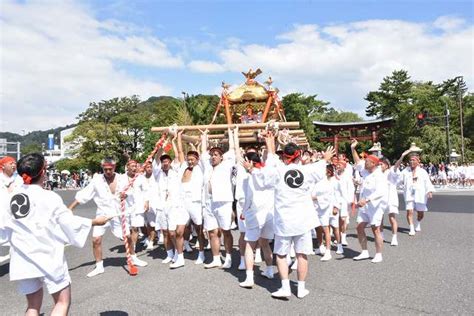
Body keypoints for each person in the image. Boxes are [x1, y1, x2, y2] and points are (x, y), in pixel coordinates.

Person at [0, 153, 109, 315]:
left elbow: (4, 226)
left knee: (32, 306)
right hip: (48, 256)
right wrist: (94, 222)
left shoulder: (11, 197)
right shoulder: (50, 197)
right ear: (43, 172)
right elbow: (68, 222)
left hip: (22, 257)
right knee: (61, 302)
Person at [252, 132, 335, 299]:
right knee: (301, 254)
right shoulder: (308, 170)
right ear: (299, 156)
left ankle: (285, 287)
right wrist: (325, 158)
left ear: (284, 156)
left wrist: (270, 145)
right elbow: (320, 166)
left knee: (281, 255)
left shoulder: (277, 171)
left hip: (284, 220)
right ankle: (302, 288)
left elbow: (265, 175)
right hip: (303, 219)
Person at [68, 157, 147, 278]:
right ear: (102, 168)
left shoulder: (122, 178)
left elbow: (131, 191)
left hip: (118, 213)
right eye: (105, 169)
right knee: (96, 240)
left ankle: (133, 257)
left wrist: (125, 195)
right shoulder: (97, 181)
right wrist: (70, 208)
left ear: (114, 167)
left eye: (110, 169)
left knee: (127, 237)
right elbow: (83, 196)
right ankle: (99, 266)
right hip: (102, 213)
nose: (108, 171)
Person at [201, 128, 236, 269]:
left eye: (216, 155)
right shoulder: (207, 167)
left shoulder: (227, 165)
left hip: (223, 202)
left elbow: (232, 149)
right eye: (212, 155)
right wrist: (204, 136)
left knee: (226, 230)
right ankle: (216, 259)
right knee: (212, 231)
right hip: (209, 202)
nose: (213, 157)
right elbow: (203, 153)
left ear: (222, 157)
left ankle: (228, 257)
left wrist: (232, 133)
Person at [239, 151, 275, 288]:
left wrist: (243, 211)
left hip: (255, 213)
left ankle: (249, 277)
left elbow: (249, 197)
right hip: (269, 214)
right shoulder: (268, 171)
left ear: (249, 161)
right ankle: (270, 270)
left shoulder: (252, 176)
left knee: (250, 245)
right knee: (265, 243)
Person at [350, 140, 387, 263]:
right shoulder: (365, 171)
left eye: (367, 161)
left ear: (373, 164)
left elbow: (380, 192)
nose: (364, 163)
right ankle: (364, 252)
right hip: (364, 205)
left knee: (375, 229)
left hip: (375, 206)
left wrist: (367, 200)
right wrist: (352, 148)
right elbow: (357, 161)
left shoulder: (379, 176)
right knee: (359, 227)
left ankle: (378, 254)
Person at [175, 131, 206, 264]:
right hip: (183, 203)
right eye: (189, 159)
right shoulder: (183, 167)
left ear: (197, 160)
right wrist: (178, 137)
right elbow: (180, 153)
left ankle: (202, 253)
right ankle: (180, 258)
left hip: (196, 202)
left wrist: (202, 139)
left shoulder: (200, 169)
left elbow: (203, 153)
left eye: (193, 159)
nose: (190, 161)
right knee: (179, 231)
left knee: (199, 229)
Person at [395, 150, 434, 236]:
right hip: (409, 194)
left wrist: (430, 191)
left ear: (418, 161)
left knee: (420, 212)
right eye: (410, 160)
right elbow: (398, 181)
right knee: (409, 211)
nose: (411, 162)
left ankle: (418, 223)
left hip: (420, 194)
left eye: (413, 160)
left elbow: (428, 182)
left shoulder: (423, 172)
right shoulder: (405, 171)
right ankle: (411, 228)